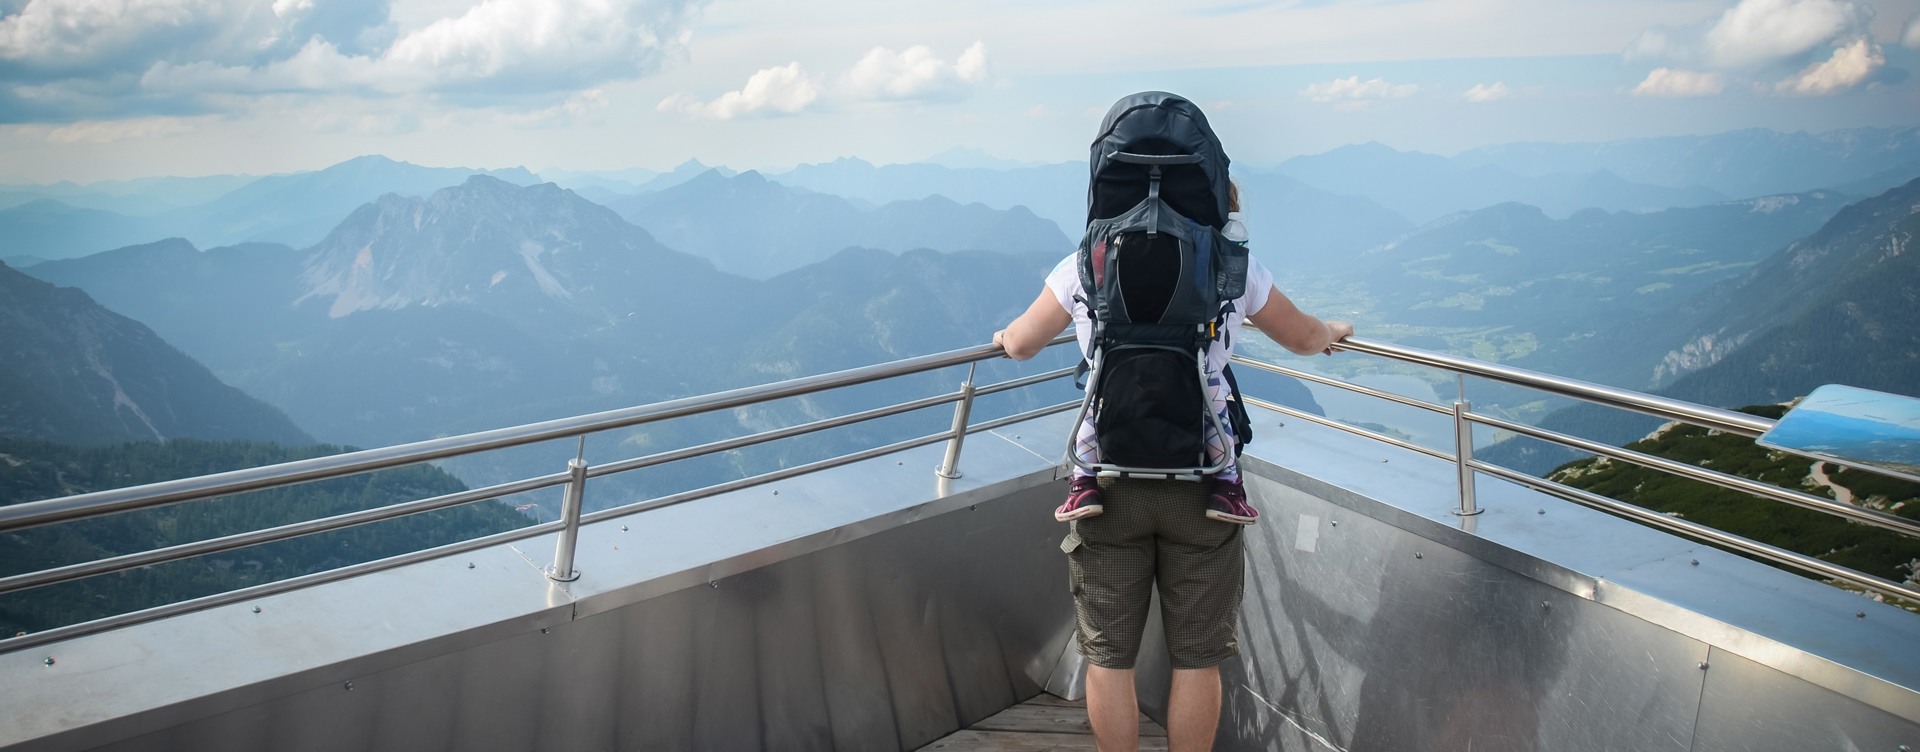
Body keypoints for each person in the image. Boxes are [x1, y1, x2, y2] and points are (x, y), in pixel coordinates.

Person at [990, 95, 1353, 752]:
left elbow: (1019, 344)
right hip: (1206, 488)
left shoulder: (1084, 265)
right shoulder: (1232, 266)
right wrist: (1332, 332)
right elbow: (1301, 337)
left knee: (1108, 659)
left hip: (1103, 489)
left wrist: (1004, 335)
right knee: (1197, 660)